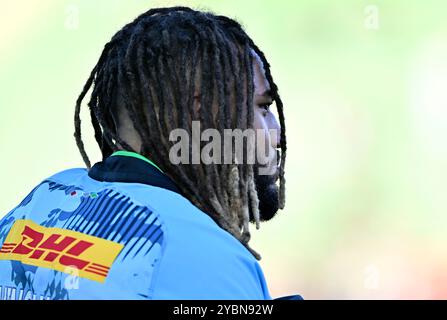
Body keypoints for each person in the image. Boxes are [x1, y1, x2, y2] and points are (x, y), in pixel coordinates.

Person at [0, 6, 297, 300]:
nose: (278, 135)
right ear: (202, 112)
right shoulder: (202, 256)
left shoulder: (35, 206)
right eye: (263, 107)